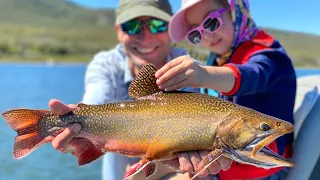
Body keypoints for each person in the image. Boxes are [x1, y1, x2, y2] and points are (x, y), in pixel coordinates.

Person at [48, 0, 232, 179]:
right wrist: (77, 134)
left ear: (170, 30)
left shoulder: (188, 69)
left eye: (157, 25)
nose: (145, 36)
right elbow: (93, 105)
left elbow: (191, 143)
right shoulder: (106, 65)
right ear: (119, 32)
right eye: (132, 26)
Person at [155, 0, 297, 179]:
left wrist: (204, 74)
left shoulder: (270, 55)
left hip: (260, 172)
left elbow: (253, 75)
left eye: (211, 22)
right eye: (196, 34)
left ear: (235, 11)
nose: (206, 36)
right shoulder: (218, 58)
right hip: (224, 165)